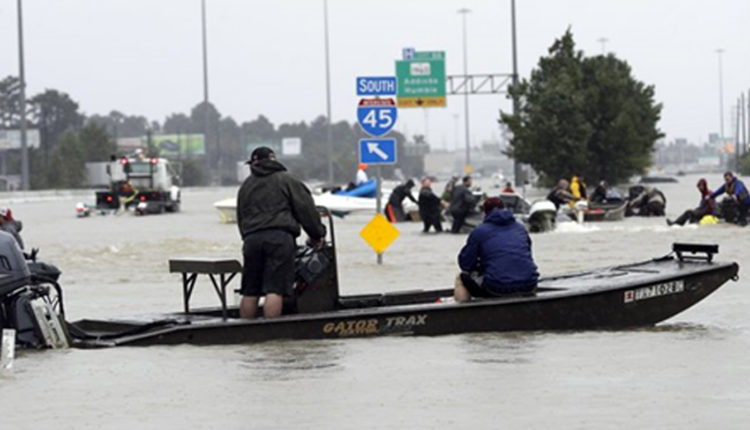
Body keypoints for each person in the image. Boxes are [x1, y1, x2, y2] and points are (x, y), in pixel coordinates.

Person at [236, 146, 327, 319]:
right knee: (275, 289)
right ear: (274, 160)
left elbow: (241, 217)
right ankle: (273, 335)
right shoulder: (286, 180)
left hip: (251, 240)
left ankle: (245, 331)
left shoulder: (246, 186)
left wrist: (247, 238)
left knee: (250, 290)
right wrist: (317, 234)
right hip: (279, 239)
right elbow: (306, 210)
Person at [454, 197, 539, 302]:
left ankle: (463, 313)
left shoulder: (479, 231)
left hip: (497, 287)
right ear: (504, 208)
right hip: (529, 284)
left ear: (485, 212)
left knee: (461, 277)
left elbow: (465, 265)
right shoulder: (520, 228)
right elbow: (527, 254)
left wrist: (481, 266)